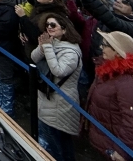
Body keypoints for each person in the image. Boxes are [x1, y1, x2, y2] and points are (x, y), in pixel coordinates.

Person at [87, 30, 133, 161]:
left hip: (114, 151)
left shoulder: (129, 82)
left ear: (118, 52)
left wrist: (123, 152)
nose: (101, 47)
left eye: (105, 45)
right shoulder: (108, 72)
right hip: (104, 143)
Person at [31, 15, 83, 161]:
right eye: (47, 24)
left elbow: (59, 71)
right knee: (53, 139)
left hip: (61, 102)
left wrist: (47, 47)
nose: (49, 27)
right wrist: (42, 47)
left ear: (64, 29)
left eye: (53, 25)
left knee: (58, 142)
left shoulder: (71, 52)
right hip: (47, 98)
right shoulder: (51, 41)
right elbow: (34, 58)